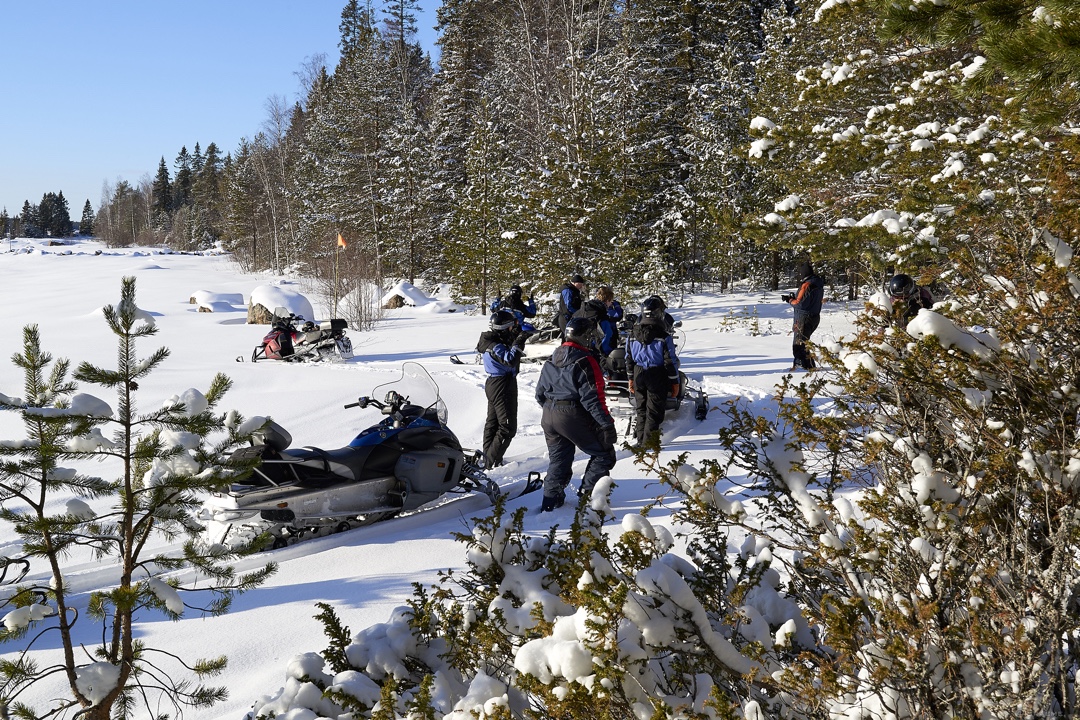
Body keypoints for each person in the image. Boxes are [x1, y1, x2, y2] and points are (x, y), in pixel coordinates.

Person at [535, 316, 618, 512]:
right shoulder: (585, 361)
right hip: (571, 415)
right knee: (604, 454)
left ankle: (550, 501)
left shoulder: (551, 358)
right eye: (592, 336)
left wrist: (554, 410)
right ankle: (589, 499)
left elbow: (539, 393)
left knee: (559, 459)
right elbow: (594, 399)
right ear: (586, 337)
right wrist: (606, 424)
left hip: (549, 414)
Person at [476, 309, 530, 468]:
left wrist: (519, 335)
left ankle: (488, 458)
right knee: (507, 427)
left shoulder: (492, 339)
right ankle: (491, 463)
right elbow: (510, 359)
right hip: (502, 385)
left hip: (496, 383)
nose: (513, 329)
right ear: (504, 328)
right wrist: (519, 341)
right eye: (512, 327)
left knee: (492, 423)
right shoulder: (494, 345)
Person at [625, 301, 680, 448]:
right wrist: (675, 381)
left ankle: (640, 440)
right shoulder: (663, 336)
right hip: (656, 373)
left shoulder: (632, 335)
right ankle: (648, 444)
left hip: (638, 373)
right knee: (654, 411)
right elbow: (670, 361)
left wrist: (631, 378)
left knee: (641, 408)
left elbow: (628, 358)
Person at [781, 260, 825, 371]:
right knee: (803, 343)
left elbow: (800, 304)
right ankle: (806, 366)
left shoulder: (807, 285)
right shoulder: (818, 284)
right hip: (814, 316)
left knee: (799, 344)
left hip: (804, 317)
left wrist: (790, 300)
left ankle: (804, 367)